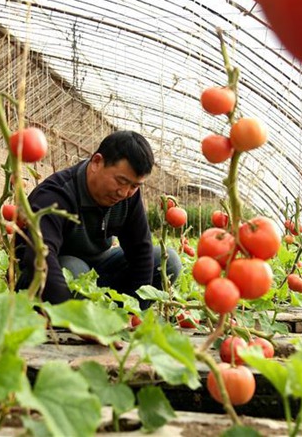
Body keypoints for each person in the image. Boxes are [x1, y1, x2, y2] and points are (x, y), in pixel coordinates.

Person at [13, 130, 181, 306]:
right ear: (96, 162)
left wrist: (134, 311)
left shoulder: (128, 196)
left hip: (99, 267)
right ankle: (81, 314)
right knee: (74, 269)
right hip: (51, 277)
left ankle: (107, 312)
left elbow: (141, 250)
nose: (124, 192)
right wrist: (71, 314)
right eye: (121, 181)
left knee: (168, 261)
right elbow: (39, 258)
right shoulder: (55, 195)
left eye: (134, 185)